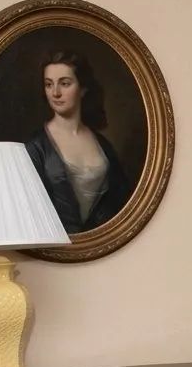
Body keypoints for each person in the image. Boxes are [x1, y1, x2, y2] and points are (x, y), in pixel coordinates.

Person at [24, 50, 132, 234]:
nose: (55, 93)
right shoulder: (35, 147)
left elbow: (123, 202)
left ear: (82, 88)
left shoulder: (103, 145)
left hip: (103, 246)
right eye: (49, 84)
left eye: (65, 83)